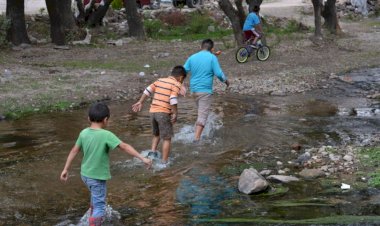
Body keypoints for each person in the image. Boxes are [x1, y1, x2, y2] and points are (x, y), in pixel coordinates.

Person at [60, 102, 152, 226]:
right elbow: (124, 146)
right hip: (97, 177)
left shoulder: (83, 133)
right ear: (105, 120)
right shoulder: (106, 135)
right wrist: (142, 158)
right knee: (100, 208)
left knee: (96, 198)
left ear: (88, 118)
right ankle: (94, 222)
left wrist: (65, 169)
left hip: (85, 175)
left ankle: (92, 214)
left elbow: (74, 150)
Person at [132, 65, 187, 167]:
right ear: (181, 78)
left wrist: (140, 102)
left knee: (156, 134)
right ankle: (164, 162)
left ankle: (153, 152)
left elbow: (147, 90)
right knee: (167, 138)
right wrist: (175, 113)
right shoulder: (176, 84)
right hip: (163, 113)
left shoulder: (160, 80)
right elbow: (173, 99)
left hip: (152, 112)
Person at [184, 39, 230, 141]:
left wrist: (179, 84)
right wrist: (226, 81)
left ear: (200, 47)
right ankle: (196, 139)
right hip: (204, 90)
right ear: (212, 49)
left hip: (193, 90)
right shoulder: (212, 57)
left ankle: (199, 131)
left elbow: (184, 70)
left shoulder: (192, 57)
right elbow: (218, 73)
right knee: (202, 116)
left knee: (202, 113)